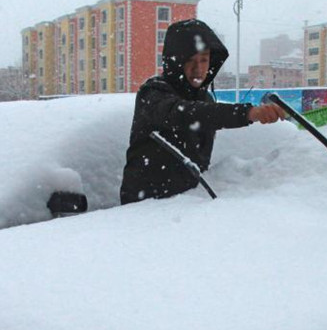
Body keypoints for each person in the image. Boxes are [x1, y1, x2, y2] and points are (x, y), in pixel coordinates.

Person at [120, 18, 287, 204]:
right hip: (144, 206)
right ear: (175, 61)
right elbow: (185, 113)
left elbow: (204, 115)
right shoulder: (152, 93)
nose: (199, 69)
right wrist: (248, 113)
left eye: (204, 60)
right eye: (190, 60)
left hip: (190, 201)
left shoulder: (204, 98)